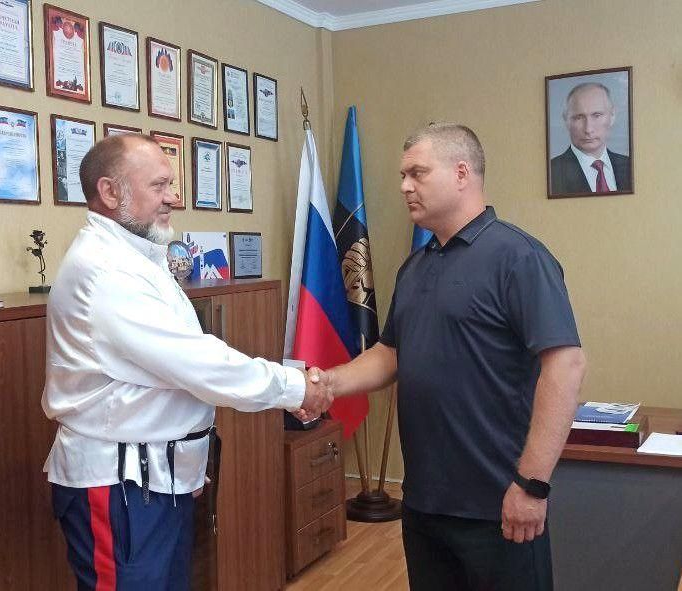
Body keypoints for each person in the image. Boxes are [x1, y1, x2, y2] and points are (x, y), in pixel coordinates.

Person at [42, 134, 332, 591]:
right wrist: (294, 386)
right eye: (159, 186)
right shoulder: (104, 271)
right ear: (110, 192)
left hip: (155, 481)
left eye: (171, 185)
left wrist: (189, 466)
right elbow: (197, 364)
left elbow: (174, 373)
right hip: (119, 487)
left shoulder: (138, 257)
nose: (173, 198)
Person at [313, 123, 586, 590]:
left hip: (500, 505)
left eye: (417, 173)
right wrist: (329, 383)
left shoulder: (519, 257)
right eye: (403, 175)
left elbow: (565, 366)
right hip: (424, 504)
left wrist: (532, 485)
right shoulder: (414, 268)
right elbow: (390, 353)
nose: (404, 186)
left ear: (462, 173)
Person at [550, 82, 631, 195]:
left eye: (597, 115)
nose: (588, 129)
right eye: (579, 117)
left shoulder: (630, 166)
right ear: (566, 120)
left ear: (612, 116)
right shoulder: (551, 172)